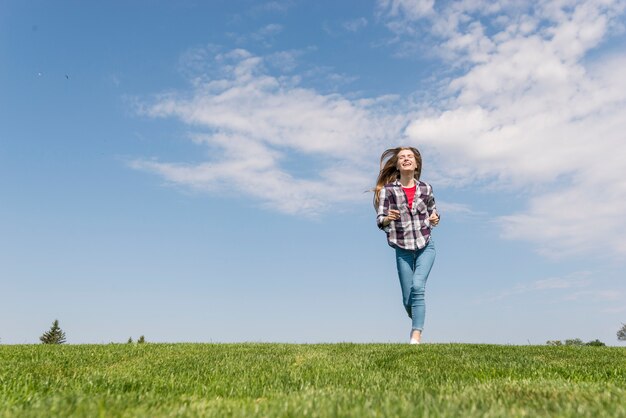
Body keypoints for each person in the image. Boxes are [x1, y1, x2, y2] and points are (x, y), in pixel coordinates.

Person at [374, 147, 439, 345]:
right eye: (402, 157)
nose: (406, 159)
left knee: (418, 287)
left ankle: (415, 337)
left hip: (425, 245)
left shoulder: (426, 188)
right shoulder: (388, 191)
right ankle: (418, 315)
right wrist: (387, 219)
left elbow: (433, 212)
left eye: (409, 156)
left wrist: (435, 218)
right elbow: (380, 219)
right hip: (402, 248)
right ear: (397, 165)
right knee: (407, 300)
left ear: (416, 164)